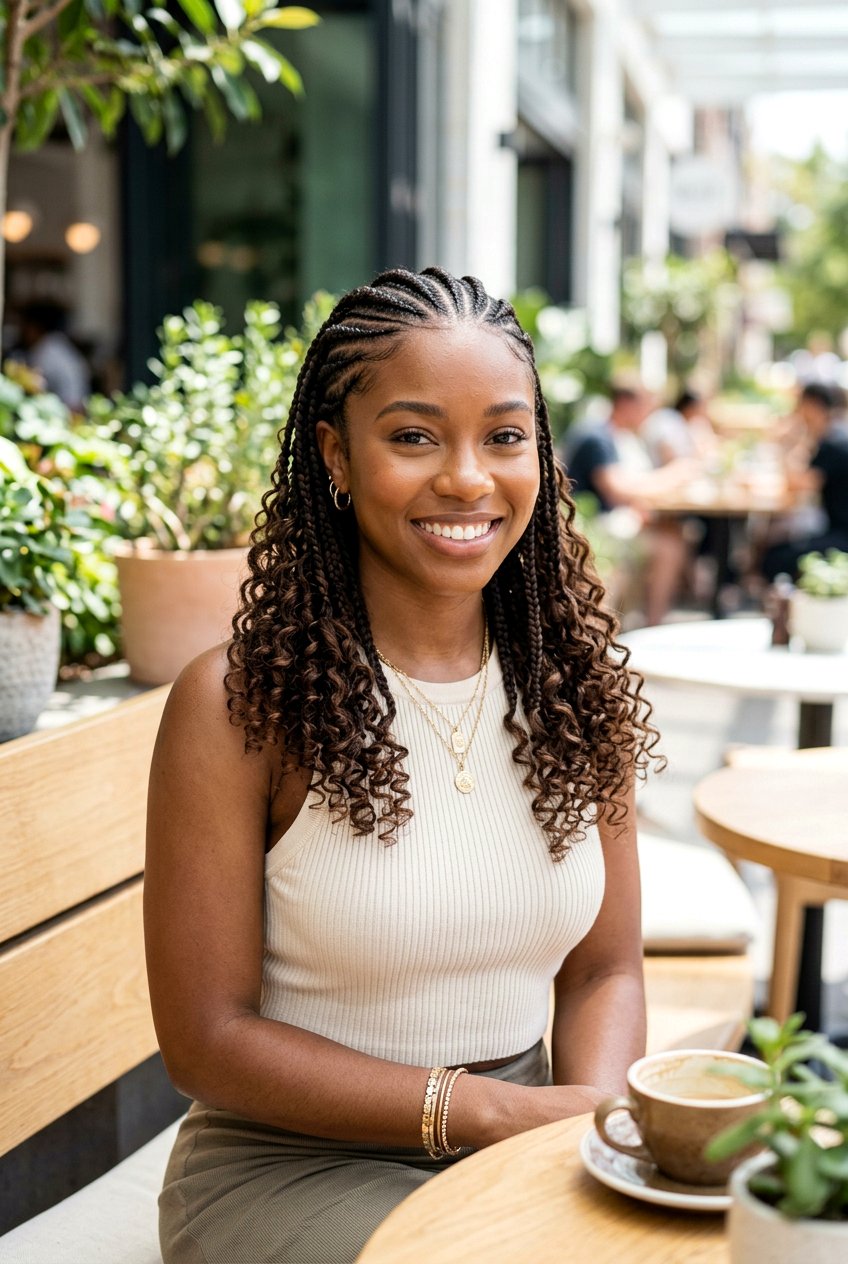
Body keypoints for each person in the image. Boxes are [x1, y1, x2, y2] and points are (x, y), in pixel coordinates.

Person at [145, 268, 659, 1264]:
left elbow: (605, 964)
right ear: (336, 455)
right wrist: (495, 1113)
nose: (468, 477)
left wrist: (589, 1113)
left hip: (524, 1142)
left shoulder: (571, 685)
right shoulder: (238, 705)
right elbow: (205, 1037)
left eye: (503, 436)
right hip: (289, 1163)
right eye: (414, 435)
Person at [562, 384, 700, 625]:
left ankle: (649, 621)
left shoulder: (614, 435)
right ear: (626, 404)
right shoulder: (597, 436)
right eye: (644, 406)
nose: (648, 414)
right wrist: (674, 475)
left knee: (673, 534)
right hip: (591, 527)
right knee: (669, 545)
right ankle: (653, 623)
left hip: (607, 521)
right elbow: (617, 491)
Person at [763, 381, 848, 581]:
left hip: (842, 535)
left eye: (800, 405)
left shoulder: (834, 443)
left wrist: (784, 443)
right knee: (771, 543)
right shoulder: (830, 438)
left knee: (774, 559)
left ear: (813, 406)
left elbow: (800, 484)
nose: (796, 412)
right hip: (834, 528)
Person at [16, 301, 91, 410]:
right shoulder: (58, 344)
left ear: (34, 328)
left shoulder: (46, 350)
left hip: (69, 412)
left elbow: (32, 385)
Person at [640, 388, 717, 468]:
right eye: (702, 408)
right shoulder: (668, 419)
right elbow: (667, 454)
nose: (705, 411)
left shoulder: (682, 422)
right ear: (690, 408)